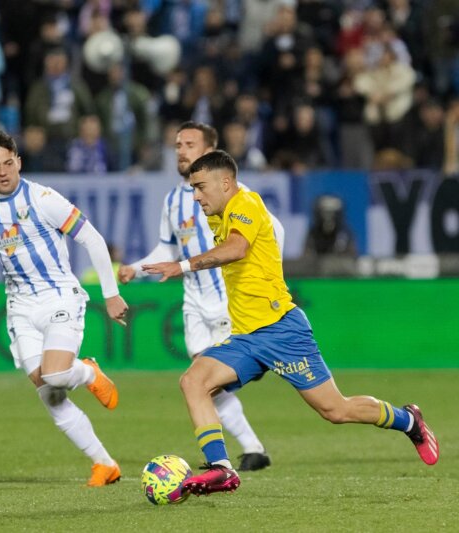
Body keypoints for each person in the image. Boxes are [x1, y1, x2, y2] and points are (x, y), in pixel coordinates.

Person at [142, 150, 439, 496]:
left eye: (200, 187)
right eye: (192, 188)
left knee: (336, 410)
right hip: (246, 337)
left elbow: (237, 249)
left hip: (282, 330)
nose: (195, 196)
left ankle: (408, 420)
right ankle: (222, 469)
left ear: (225, 182)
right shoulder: (217, 215)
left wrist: (182, 266)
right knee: (193, 381)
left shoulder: (246, 204)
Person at [0, 131, 129, 487]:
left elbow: (92, 238)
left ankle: (87, 373)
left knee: (55, 375)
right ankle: (104, 463)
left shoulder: (43, 199)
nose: (3, 172)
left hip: (59, 298)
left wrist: (110, 294)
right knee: (49, 392)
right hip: (20, 309)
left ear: (19, 161)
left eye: (8, 163)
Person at [119, 121, 279, 472]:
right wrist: (135, 267)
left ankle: (242, 450)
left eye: (189, 144)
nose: (180, 150)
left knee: (205, 379)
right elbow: (166, 246)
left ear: (209, 150)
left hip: (226, 298)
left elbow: (270, 234)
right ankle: (252, 450)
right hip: (194, 303)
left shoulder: (236, 195)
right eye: (177, 144)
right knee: (205, 384)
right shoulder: (175, 199)